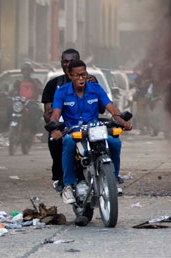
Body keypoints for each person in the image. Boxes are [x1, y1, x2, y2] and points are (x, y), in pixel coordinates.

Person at [48, 59, 132, 204]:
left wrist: (123, 122)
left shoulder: (96, 89)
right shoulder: (62, 92)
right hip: (73, 129)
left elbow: (112, 109)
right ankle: (68, 185)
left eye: (83, 74)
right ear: (70, 76)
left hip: (94, 127)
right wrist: (54, 127)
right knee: (67, 142)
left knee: (115, 142)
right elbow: (55, 113)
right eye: (77, 75)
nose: (81, 78)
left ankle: (113, 178)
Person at [41, 48, 80, 191]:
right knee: (55, 140)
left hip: (87, 126)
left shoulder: (90, 83)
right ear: (61, 63)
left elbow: (103, 105)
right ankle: (61, 179)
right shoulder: (54, 86)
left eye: (72, 61)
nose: (68, 64)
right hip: (65, 127)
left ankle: (109, 176)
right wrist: (54, 125)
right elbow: (48, 112)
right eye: (65, 61)